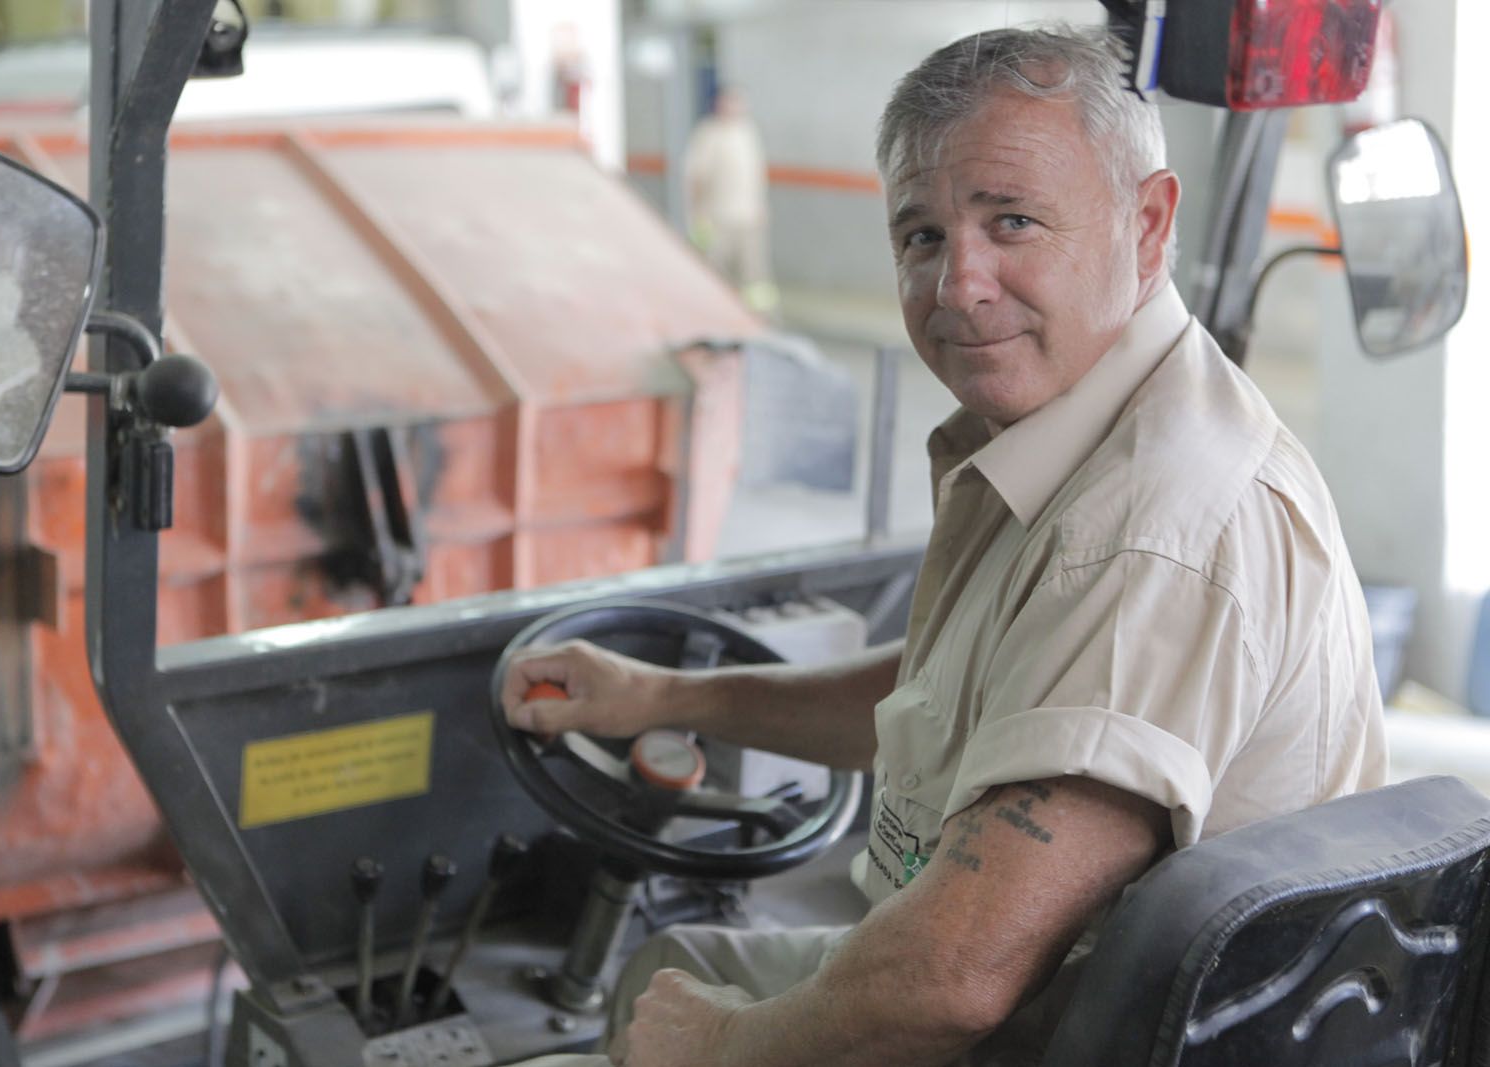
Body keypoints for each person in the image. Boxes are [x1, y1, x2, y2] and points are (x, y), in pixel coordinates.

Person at [506, 26, 1387, 1067]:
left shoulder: (1152, 531)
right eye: (922, 236)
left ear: (1146, 224)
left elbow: (957, 975)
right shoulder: (1081, 430)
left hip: (1074, 1034)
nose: (957, 285)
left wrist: (725, 1044)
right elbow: (947, 696)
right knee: (674, 961)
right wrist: (658, 697)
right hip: (1057, 992)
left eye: (1012, 222)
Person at [685, 84, 778, 315]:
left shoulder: (748, 132)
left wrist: (761, 207)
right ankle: (713, 316)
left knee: (755, 276)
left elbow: (756, 175)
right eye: (729, 101)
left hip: (748, 217)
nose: (734, 107)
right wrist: (698, 215)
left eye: (738, 101)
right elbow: (697, 178)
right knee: (715, 271)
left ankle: (761, 319)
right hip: (717, 218)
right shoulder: (708, 134)